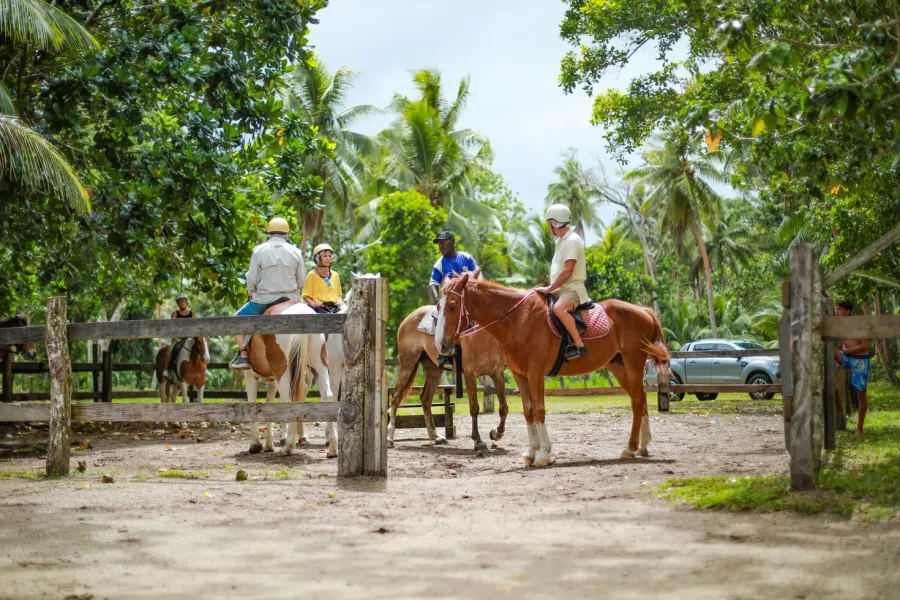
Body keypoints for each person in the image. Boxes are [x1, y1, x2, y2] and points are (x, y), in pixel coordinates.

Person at [229, 217, 306, 371]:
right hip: (291, 299)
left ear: (269, 232)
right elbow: (302, 281)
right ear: (286, 234)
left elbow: (251, 279)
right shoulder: (296, 252)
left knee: (233, 322)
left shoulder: (259, 251)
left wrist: (252, 290)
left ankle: (243, 355)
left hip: (264, 299)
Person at [535, 204, 589, 361]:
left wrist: (550, 288)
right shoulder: (562, 241)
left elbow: (568, 271)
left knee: (559, 309)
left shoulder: (572, 240)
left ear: (555, 223)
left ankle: (579, 346)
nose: (548, 228)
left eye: (549, 224)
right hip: (560, 290)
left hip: (572, 290)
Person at [429, 231, 478, 370]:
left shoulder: (467, 258)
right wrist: (438, 300)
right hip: (449, 300)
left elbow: (477, 277)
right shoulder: (439, 263)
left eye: (443, 242)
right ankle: (444, 354)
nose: (441, 246)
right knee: (441, 319)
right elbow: (433, 284)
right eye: (439, 243)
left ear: (452, 241)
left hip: (468, 299)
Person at [833, 299, 871, 435]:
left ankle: (860, 428)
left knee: (861, 394)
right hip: (848, 359)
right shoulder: (837, 326)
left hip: (861, 361)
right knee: (830, 350)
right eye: (836, 309)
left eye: (840, 309)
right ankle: (831, 378)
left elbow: (866, 346)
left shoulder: (858, 325)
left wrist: (848, 351)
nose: (837, 311)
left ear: (848, 312)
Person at [162, 293, 196, 380]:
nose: (182, 303)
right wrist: (176, 336)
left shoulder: (192, 314)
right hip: (177, 338)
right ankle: (165, 369)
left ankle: (203, 368)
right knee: (170, 349)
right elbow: (171, 327)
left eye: (184, 301)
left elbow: (195, 326)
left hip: (189, 338)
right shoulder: (175, 314)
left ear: (186, 302)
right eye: (180, 302)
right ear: (178, 303)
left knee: (200, 347)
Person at [303, 243, 343, 312]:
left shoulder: (335, 275)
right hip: (318, 309)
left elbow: (339, 296)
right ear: (318, 258)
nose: (328, 258)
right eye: (325, 256)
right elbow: (305, 296)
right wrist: (314, 304)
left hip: (335, 308)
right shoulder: (311, 275)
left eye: (330, 256)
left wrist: (340, 301)